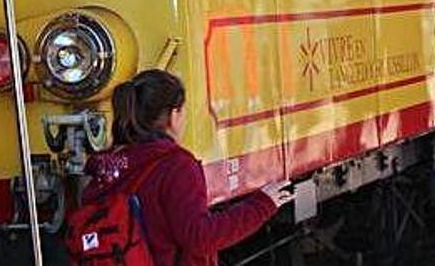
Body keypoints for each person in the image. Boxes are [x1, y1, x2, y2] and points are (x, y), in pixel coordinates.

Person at [81, 69, 292, 264]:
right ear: (174, 115)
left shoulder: (104, 168)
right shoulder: (175, 166)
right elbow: (200, 237)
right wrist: (263, 204)